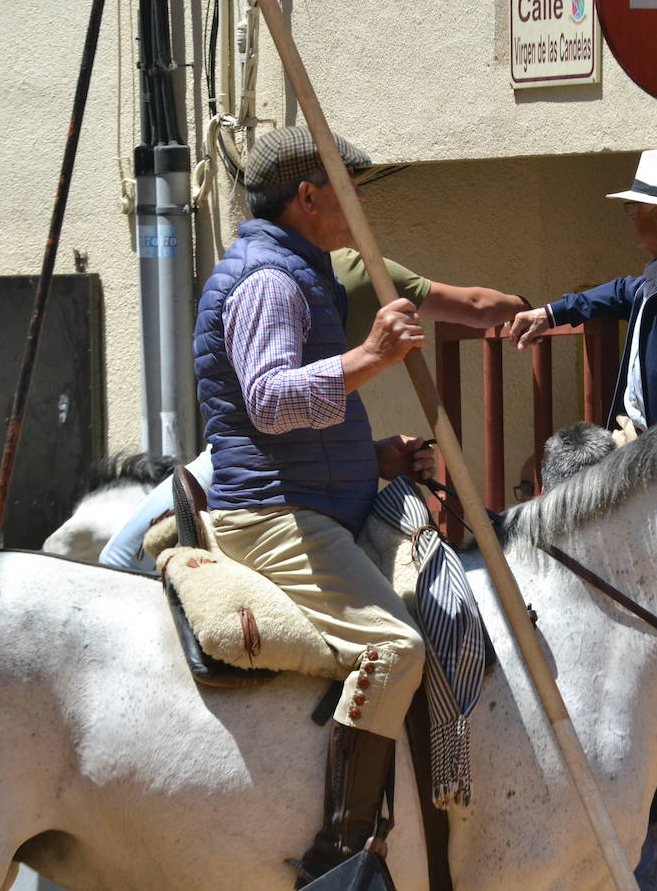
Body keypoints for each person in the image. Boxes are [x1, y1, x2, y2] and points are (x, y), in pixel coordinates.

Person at [193, 124, 432, 885]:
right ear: (307, 196)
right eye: (348, 189)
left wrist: (370, 461)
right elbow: (268, 403)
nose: (358, 204)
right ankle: (341, 855)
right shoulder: (270, 279)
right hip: (273, 517)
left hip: (306, 499)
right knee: (396, 650)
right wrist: (372, 357)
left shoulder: (298, 269)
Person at [99, 253, 527, 573]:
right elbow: (474, 305)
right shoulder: (361, 268)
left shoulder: (265, 267)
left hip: (255, 474)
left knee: (117, 559)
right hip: (303, 478)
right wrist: (529, 309)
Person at [508, 148, 657, 435]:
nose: (631, 217)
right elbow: (622, 291)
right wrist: (551, 314)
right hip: (656, 445)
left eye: (632, 208)